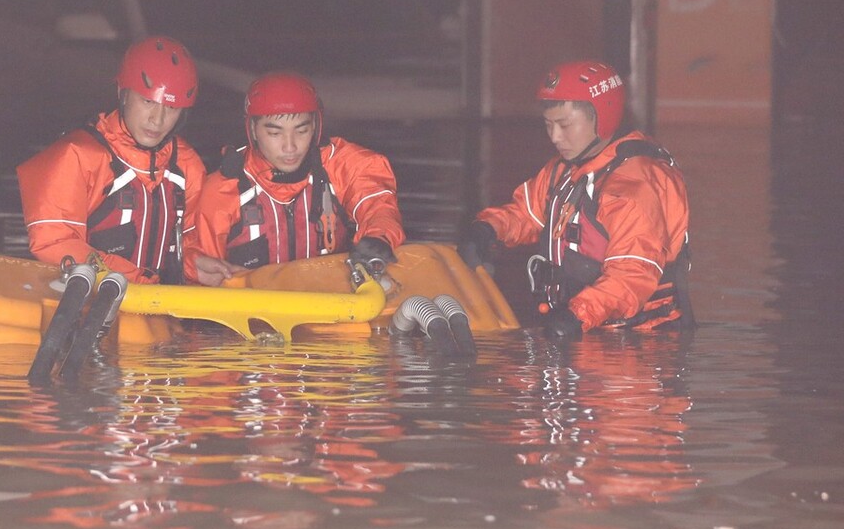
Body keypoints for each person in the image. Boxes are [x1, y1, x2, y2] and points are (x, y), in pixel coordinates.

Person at [457, 60, 693, 340]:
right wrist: (487, 229)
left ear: (601, 117)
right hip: (580, 325)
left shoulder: (633, 187)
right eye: (548, 125)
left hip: (638, 342)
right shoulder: (565, 170)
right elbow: (526, 213)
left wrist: (576, 315)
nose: (555, 137)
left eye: (564, 125)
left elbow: (631, 276)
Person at [184, 71, 405, 286]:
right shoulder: (223, 190)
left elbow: (378, 204)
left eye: (301, 131)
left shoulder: (341, 165)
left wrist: (378, 238)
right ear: (252, 130)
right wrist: (193, 269)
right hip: (249, 316)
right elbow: (194, 258)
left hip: (332, 308)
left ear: (315, 128)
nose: (290, 147)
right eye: (275, 133)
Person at [17, 36, 206, 284]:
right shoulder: (77, 156)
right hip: (85, 311)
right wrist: (135, 280)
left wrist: (197, 266)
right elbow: (54, 242)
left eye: (171, 108)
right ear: (123, 93)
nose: (157, 120)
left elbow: (190, 244)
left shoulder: (186, 165)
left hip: (161, 311)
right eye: (148, 101)